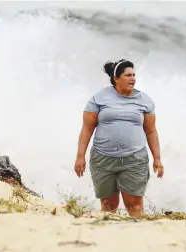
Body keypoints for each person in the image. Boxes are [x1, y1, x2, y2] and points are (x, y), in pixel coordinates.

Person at [74, 59, 164, 218]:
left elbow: (151, 131)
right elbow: (87, 129)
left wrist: (157, 158)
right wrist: (80, 156)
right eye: (128, 75)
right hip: (103, 159)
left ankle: (137, 239)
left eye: (134, 75)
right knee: (108, 206)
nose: (133, 78)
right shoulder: (98, 98)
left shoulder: (145, 101)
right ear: (116, 78)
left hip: (134, 159)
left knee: (134, 206)